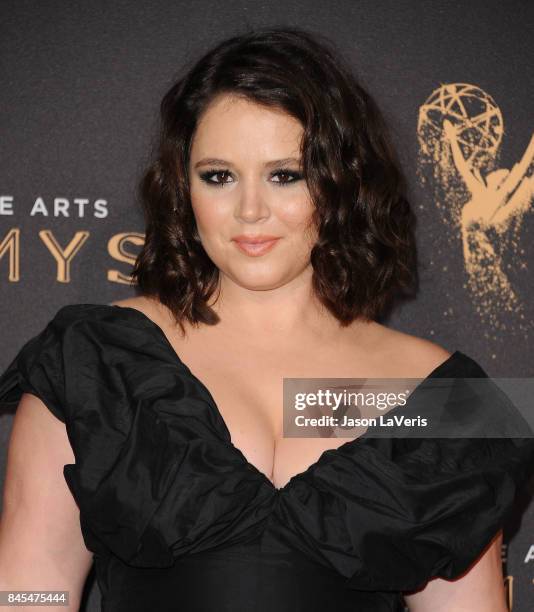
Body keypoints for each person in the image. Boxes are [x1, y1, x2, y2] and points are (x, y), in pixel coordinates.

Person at [0, 26, 533, 612]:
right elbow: (29, 592)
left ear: (340, 182)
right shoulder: (98, 363)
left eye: (285, 175)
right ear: (184, 187)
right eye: (219, 176)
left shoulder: (442, 398)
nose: (250, 210)